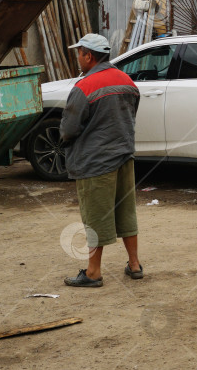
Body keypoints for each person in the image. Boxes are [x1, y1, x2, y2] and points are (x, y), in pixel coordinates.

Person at [60, 34, 143, 287]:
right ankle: (134, 264)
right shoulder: (127, 81)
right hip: (124, 157)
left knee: (95, 216)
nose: (78, 58)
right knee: (126, 212)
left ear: (89, 56)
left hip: (94, 162)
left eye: (79, 53)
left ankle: (93, 272)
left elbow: (68, 129)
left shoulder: (84, 87)